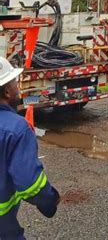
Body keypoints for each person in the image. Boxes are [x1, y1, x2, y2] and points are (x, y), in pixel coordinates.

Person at [0, 57, 60, 240]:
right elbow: (30, 184)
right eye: (14, 83)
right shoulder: (16, 129)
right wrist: (49, 200)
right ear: (7, 92)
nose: (18, 87)